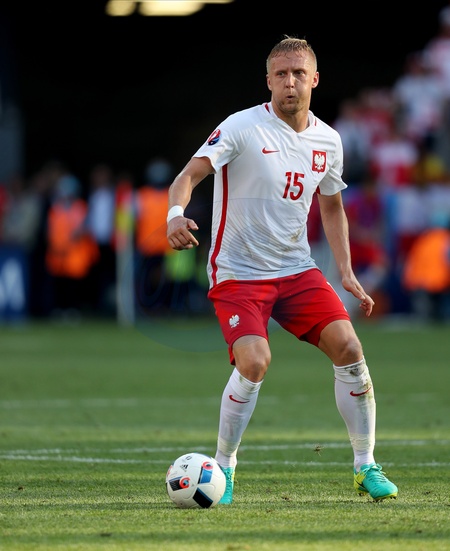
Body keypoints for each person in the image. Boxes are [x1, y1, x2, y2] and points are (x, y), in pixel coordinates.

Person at [166, 36, 398, 504]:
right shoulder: (242, 126)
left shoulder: (328, 140)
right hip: (238, 271)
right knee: (254, 361)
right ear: (268, 81)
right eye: (281, 75)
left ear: (314, 79)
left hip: (296, 269)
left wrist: (346, 271)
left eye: (298, 74)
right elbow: (188, 175)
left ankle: (365, 466)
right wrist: (175, 215)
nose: (290, 83)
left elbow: (331, 207)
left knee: (350, 348)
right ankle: (224, 468)